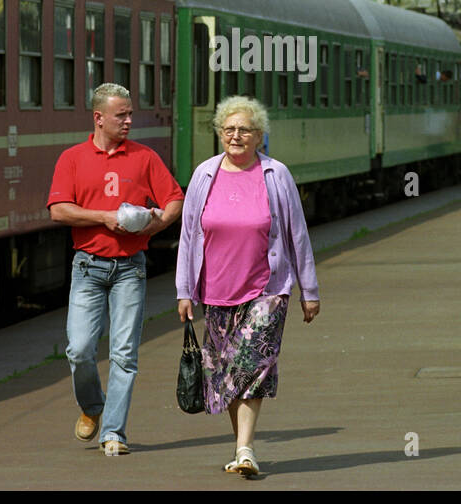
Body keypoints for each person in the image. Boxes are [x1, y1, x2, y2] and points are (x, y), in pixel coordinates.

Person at [176, 96, 320, 478]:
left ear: (259, 136)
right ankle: (241, 447)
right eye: (229, 130)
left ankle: (245, 448)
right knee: (226, 372)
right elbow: (190, 235)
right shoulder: (205, 175)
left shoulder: (276, 175)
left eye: (245, 130)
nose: (236, 136)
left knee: (250, 365)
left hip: (267, 289)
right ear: (220, 133)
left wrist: (310, 290)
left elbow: (297, 235)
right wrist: (184, 291)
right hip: (216, 291)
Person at [48, 83, 184, 456]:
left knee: (125, 354)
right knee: (79, 350)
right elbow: (59, 209)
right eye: (121, 115)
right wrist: (104, 218)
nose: (129, 121)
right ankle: (93, 406)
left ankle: (114, 433)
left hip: (130, 270)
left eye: (130, 114)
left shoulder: (144, 157)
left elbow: (175, 200)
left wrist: (154, 225)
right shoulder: (72, 158)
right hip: (87, 267)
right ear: (99, 118)